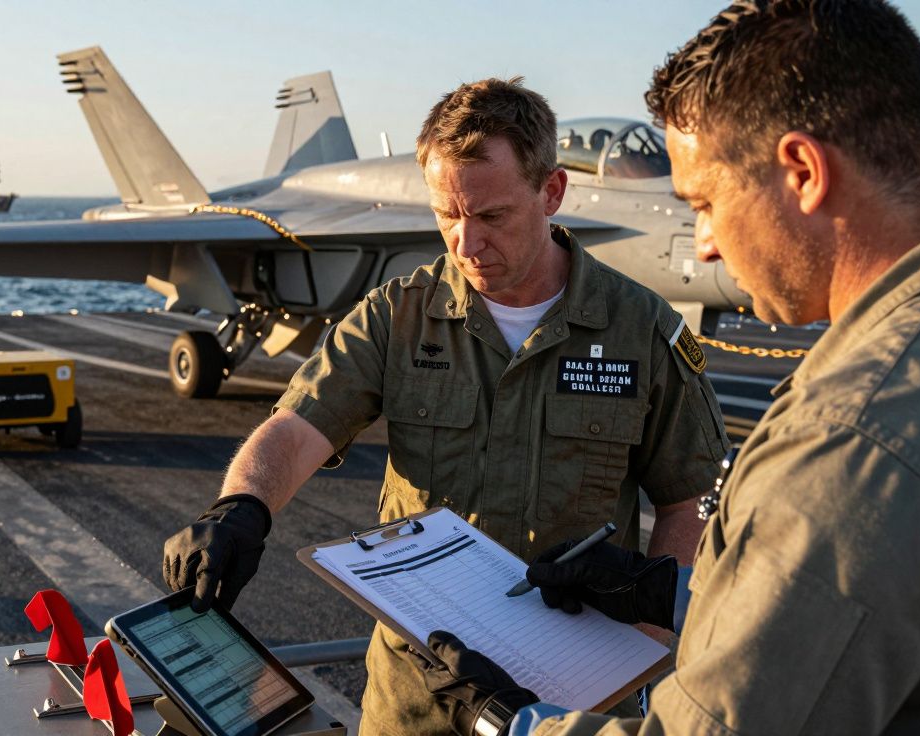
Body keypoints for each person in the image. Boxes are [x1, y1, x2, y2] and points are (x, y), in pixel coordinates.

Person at [414, 1, 920, 734]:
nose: (706, 242)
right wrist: (673, 594)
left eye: (707, 202)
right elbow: (895, 615)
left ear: (803, 172)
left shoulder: (852, 440)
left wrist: (506, 720)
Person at [161, 77, 731, 734]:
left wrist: (643, 648)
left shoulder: (641, 329)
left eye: (491, 217)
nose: (465, 244)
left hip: (574, 704)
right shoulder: (398, 315)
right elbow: (297, 426)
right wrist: (241, 506)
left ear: (552, 192)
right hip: (416, 702)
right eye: (447, 215)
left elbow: (692, 500)